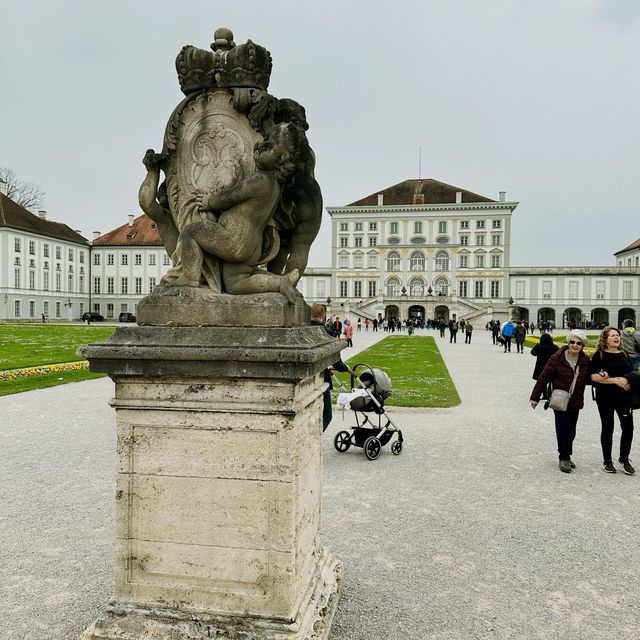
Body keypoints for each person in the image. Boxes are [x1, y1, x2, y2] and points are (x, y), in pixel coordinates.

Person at [530, 330, 591, 473]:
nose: (575, 345)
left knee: (572, 431)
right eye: (572, 342)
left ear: (582, 345)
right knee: (563, 429)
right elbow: (543, 377)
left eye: (578, 343)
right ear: (568, 343)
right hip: (560, 399)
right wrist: (535, 397)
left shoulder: (585, 361)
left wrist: (603, 374)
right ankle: (563, 457)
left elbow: (588, 379)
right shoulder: (557, 358)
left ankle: (567, 454)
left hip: (575, 400)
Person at [589, 326, 635, 474]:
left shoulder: (624, 353)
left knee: (628, 428)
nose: (616, 337)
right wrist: (615, 380)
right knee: (608, 428)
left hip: (624, 397)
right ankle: (607, 460)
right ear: (605, 339)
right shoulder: (599, 355)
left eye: (617, 335)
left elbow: (632, 372)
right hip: (605, 397)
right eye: (612, 335)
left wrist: (626, 379)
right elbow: (592, 377)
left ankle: (624, 458)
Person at [310, 303, 353, 432]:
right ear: (323, 315)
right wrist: (347, 369)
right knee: (327, 415)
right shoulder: (326, 331)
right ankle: (314, 440)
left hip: (306, 378)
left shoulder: (304, 329)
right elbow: (335, 359)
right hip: (321, 379)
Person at [531, 332, 559, 399]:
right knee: (551, 380)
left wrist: (537, 345)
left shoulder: (539, 347)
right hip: (552, 366)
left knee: (542, 380)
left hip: (541, 366)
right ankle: (550, 394)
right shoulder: (554, 347)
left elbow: (533, 353)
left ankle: (545, 394)